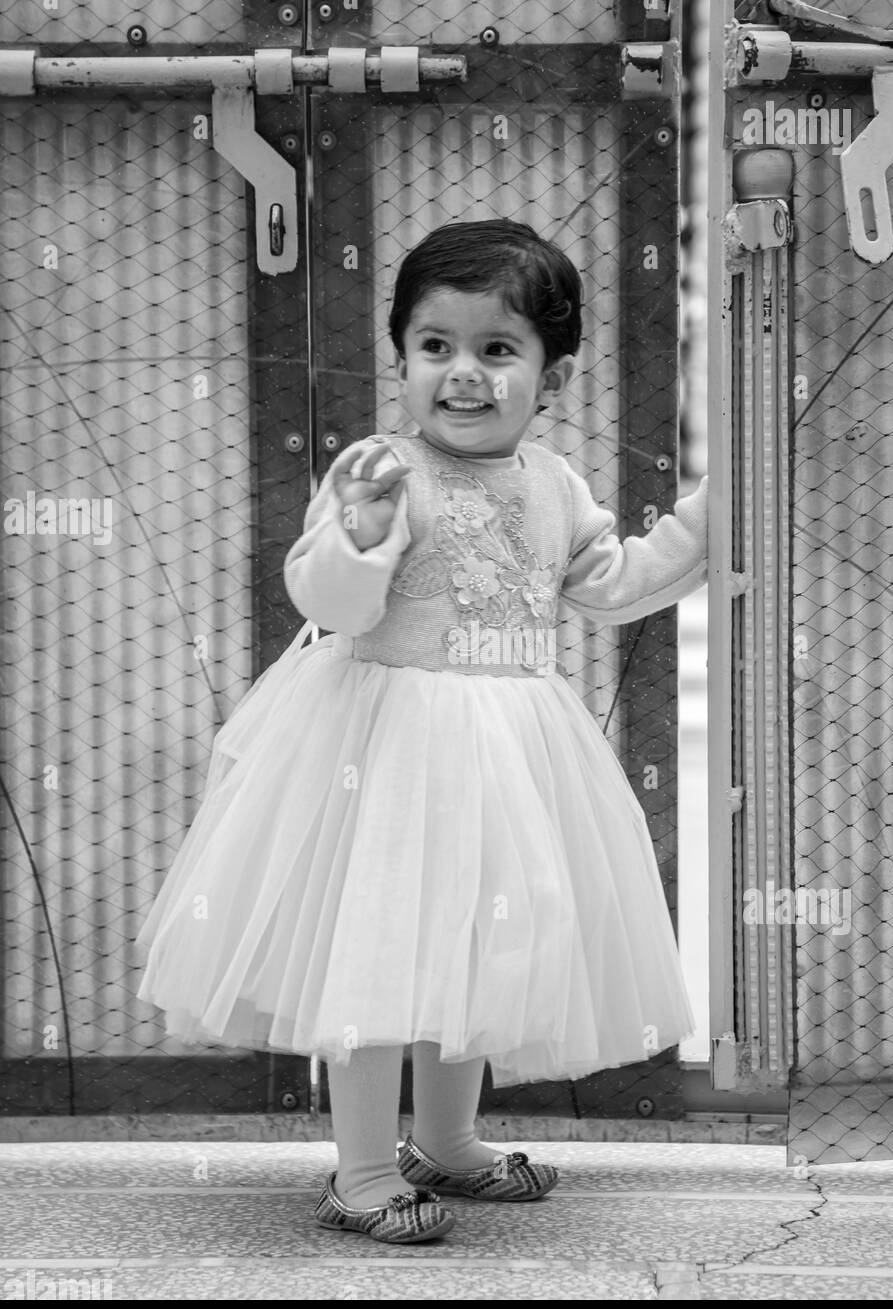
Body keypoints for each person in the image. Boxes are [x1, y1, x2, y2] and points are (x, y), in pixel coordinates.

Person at [136, 218, 709, 1245]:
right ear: (400, 356)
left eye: (497, 351)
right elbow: (329, 603)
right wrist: (354, 539)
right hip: (384, 746)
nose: (463, 374)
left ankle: (446, 1142)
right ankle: (359, 1171)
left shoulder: (553, 483)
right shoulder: (379, 470)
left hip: (511, 746)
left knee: (473, 948)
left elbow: (609, 584)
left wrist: (707, 524)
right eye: (434, 347)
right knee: (380, 951)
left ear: (555, 374)